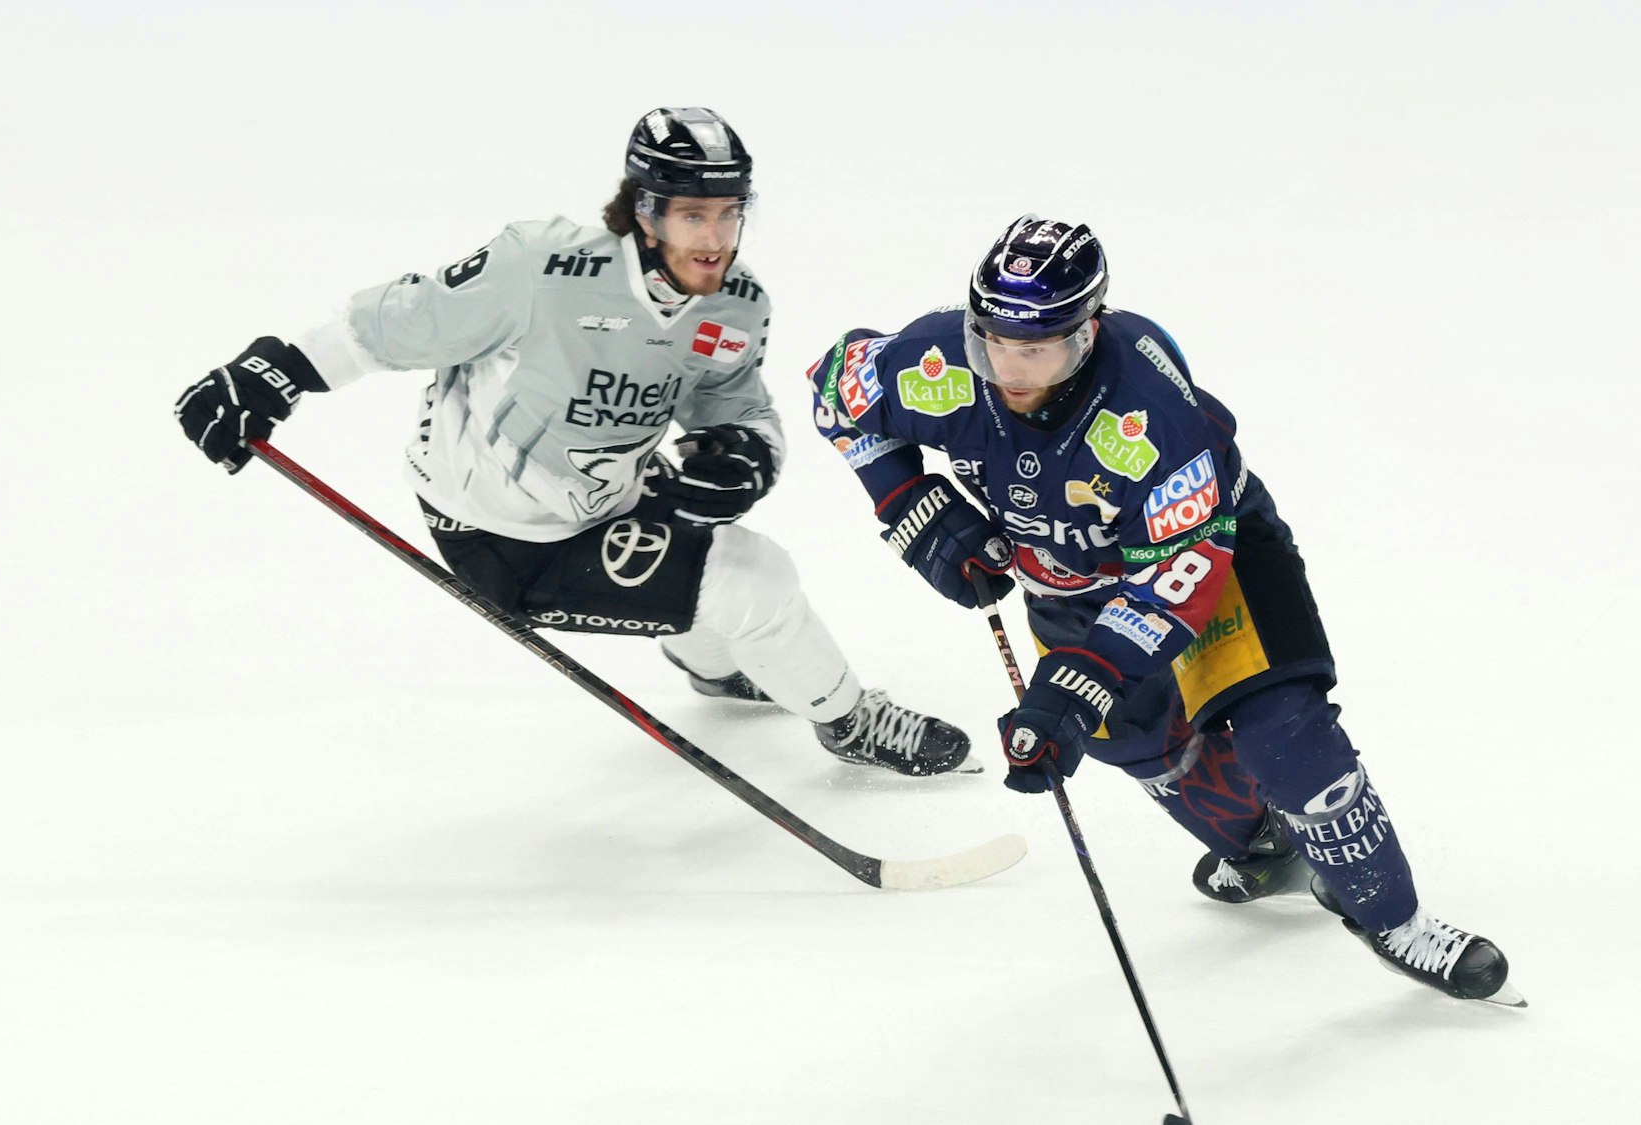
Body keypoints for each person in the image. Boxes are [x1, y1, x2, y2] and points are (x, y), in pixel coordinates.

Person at [809, 214, 1520, 1004]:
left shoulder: (1144, 411)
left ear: (1088, 332)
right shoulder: (935, 363)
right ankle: (1263, 846)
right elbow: (833, 386)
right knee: (1137, 746)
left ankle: (1393, 918)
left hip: (1213, 558)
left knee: (1282, 732)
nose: (1008, 366)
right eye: (993, 340)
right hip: (1069, 584)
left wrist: (1073, 687)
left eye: (1036, 346)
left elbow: (1177, 573)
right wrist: (911, 502)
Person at [172, 106, 970, 777]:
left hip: (605, 500)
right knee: (757, 578)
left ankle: (714, 667)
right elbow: (394, 324)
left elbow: (736, 403)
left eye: (731, 213)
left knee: (691, 533)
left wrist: (743, 455)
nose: (716, 237)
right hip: (497, 533)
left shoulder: (737, 305)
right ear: (645, 211)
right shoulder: (541, 267)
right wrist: (269, 372)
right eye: (694, 213)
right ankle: (848, 718)